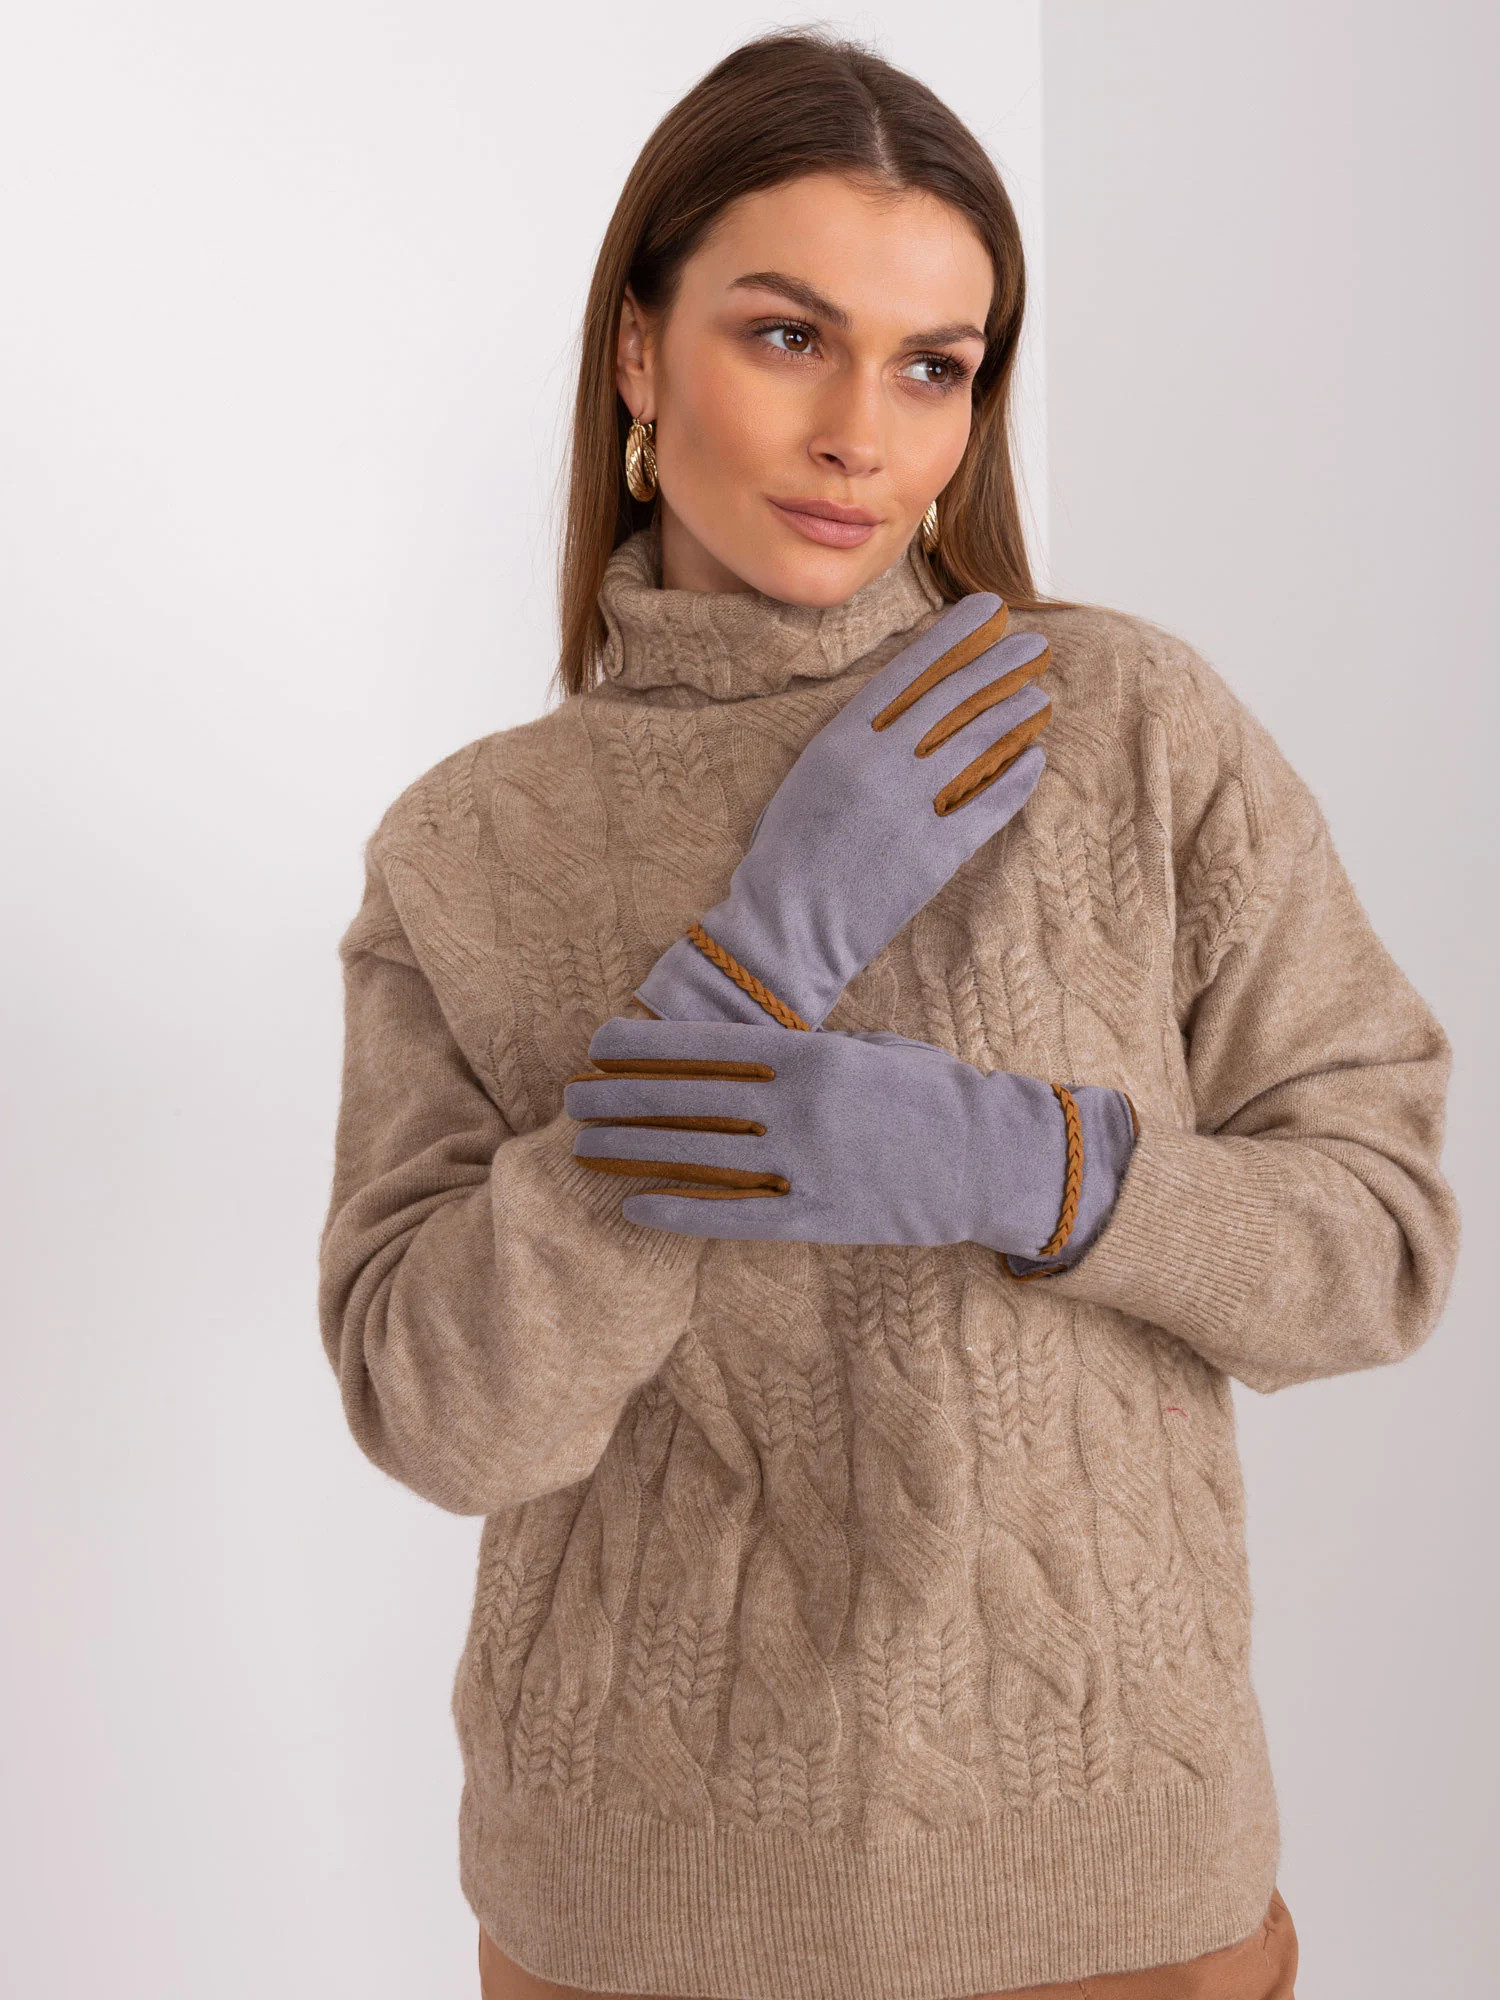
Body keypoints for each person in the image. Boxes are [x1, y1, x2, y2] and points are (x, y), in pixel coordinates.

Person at [317, 30, 1459, 2000]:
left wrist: (1034, 1164)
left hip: (1116, 1898)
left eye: (935, 365)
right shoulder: (468, 849)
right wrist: (749, 970)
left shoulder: (1127, 726)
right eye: (788, 336)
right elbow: (444, 1414)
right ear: (638, 352)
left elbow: (1381, 1249)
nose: (864, 432)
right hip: (638, 1923)